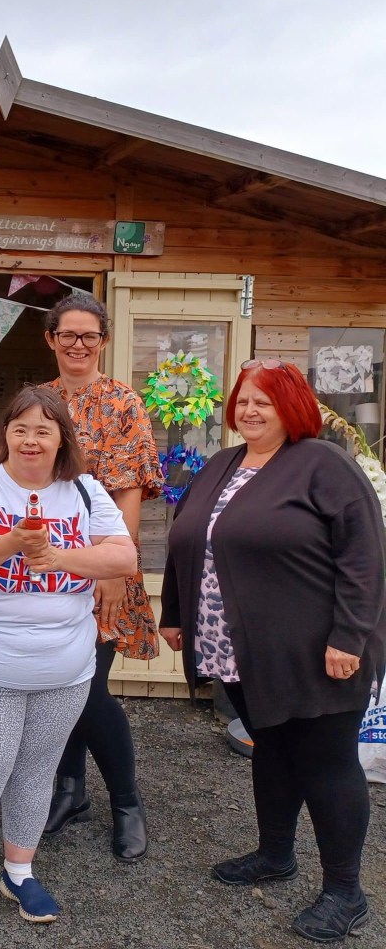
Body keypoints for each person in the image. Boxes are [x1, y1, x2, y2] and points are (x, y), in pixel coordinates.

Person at [160, 359, 386, 944]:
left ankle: (345, 892)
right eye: (244, 400)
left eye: (266, 400)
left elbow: (364, 558)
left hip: (315, 648)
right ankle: (276, 854)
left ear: (295, 408)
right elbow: (189, 537)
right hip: (234, 648)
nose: (251, 409)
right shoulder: (222, 463)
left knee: (326, 761)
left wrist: (349, 635)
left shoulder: (323, 465)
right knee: (273, 747)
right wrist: (177, 614)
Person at [0, 387, 136, 948]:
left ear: (62, 438)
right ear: (5, 437)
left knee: (37, 772)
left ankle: (18, 872)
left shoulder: (86, 492)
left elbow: (124, 557)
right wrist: (11, 542)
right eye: (20, 429)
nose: (31, 440)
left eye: (44, 430)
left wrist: (58, 556)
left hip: (64, 667)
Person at [41, 290, 163, 862]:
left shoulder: (122, 403)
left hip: (105, 570)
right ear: (52, 340)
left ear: (103, 341)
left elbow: (129, 490)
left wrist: (119, 567)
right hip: (50, 571)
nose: (78, 344)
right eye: (68, 334)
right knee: (57, 687)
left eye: (89, 335)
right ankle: (70, 791)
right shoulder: (40, 403)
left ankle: (127, 802)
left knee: (86, 689)